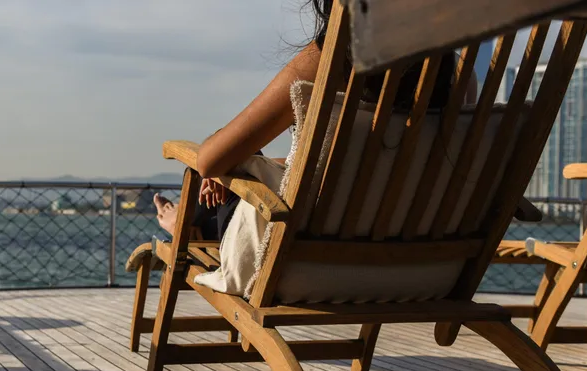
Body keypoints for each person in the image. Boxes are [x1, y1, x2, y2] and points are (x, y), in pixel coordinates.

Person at [153, 0, 476, 239]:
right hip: (411, 258)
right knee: (240, 166)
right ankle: (192, 221)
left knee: (200, 169)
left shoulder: (334, 54)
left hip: (310, 252)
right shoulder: (459, 75)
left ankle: (184, 224)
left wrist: (221, 156)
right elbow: (380, 162)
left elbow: (210, 160)